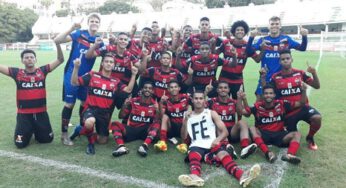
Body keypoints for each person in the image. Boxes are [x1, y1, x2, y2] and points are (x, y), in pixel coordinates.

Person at [178, 91, 260, 187]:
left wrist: (217, 140)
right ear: (192, 100)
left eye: (201, 98)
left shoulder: (211, 113)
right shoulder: (188, 116)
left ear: (204, 100)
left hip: (212, 143)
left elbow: (225, 131)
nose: (198, 101)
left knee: (224, 154)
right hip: (196, 145)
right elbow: (183, 137)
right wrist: (185, 121)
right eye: (196, 98)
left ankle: (242, 175)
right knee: (193, 157)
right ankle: (195, 177)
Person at [0, 42, 64, 148]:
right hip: (24, 114)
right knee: (20, 144)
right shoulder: (17, 73)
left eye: (31, 57)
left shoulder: (42, 71)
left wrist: (57, 44)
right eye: (26, 57)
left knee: (47, 140)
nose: (29, 59)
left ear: (35, 59)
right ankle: (29, 129)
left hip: (41, 112)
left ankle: (35, 129)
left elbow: (60, 60)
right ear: (22, 60)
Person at [71, 54, 138, 155]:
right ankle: (90, 144)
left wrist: (133, 75)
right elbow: (74, 82)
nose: (108, 64)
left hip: (104, 113)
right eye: (106, 61)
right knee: (90, 121)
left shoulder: (116, 81)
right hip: (91, 109)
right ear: (102, 63)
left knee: (102, 141)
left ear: (114, 65)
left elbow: (128, 90)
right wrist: (76, 68)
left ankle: (80, 130)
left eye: (111, 62)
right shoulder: (92, 75)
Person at [54, 13, 102, 146]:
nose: (94, 23)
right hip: (71, 73)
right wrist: (71, 28)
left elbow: (88, 56)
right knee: (70, 104)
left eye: (96, 21)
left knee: (84, 103)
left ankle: (82, 130)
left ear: (99, 24)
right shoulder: (79, 34)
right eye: (92, 20)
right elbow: (57, 40)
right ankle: (64, 135)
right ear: (88, 22)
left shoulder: (99, 41)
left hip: (86, 77)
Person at [238, 84, 307, 164]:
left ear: (274, 95)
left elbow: (301, 103)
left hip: (279, 134)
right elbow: (242, 112)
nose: (268, 95)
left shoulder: (282, 104)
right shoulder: (257, 106)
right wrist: (240, 98)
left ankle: (290, 155)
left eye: (271, 93)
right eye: (266, 93)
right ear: (263, 95)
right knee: (252, 128)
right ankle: (268, 153)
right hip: (263, 135)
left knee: (297, 134)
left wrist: (304, 90)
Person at [268, 49, 321, 150]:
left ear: (292, 59)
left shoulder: (300, 73)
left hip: (303, 107)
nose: (285, 60)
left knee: (317, 118)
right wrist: (262, 78)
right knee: (292, 137)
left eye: (287, 58)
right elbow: (269, 94)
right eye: (282, 59)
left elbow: (316, 86)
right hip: (288, 112)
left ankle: (310, 137)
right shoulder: (275, 77)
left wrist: (314, 73)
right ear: (279, 61)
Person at [246, 16, 308, 99]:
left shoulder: (286, 39)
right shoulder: (263, 40)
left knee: (281, 106)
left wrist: (304, 36)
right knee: (260, 104)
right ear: (268, 26)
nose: (274, 26)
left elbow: (302, 48)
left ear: (280, 26)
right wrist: (251, 37)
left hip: (281, 79)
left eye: (276, 24)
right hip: (265, 78)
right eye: (272, 24)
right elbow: (248, 51)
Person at [206, 81, 257, 159]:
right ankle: (227, 146)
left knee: (242, 122)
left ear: (229, 90)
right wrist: (205, 92)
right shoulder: (212, 101)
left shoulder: (233, 102)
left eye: (225, 88)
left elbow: (247, 114)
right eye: (220, 88)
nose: (223, 89)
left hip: (232, 132)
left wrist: (243, 99)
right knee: (218, 124)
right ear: (217, 90)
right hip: (219, 133)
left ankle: (245, 148)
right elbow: (199, 105)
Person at [111, 82, 160, 157]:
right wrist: (124, 105)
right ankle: (121, 147)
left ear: (153, 91)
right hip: (132, 129)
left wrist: (157, 110)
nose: (147, 90)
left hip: (145, 131)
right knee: (114, 124)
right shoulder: (133, 101)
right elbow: (121, 116)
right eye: (145, 88)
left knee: (157, 124)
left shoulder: (155, 104)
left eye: (150, 88)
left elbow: (156, 120)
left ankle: (144, 146)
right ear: (142, 89)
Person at [217, 20, 262, 99]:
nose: (240, 31)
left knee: (238, 105)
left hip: (237, 80)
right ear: (234, 32)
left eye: (242, 30)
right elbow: (215, 54)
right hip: (224, 79)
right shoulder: (226, 42)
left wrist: (264, 50)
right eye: (237, 30)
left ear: (245, 32)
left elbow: (257, 60)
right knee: (222, 103)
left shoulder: (247, 46)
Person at [154, 80, 191, 152]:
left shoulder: (186, 97)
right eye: (171, 87)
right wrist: (161, 103)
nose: (174, 89)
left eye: (175, 87)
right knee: (165, 116)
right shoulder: (166, 100)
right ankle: (163, 142)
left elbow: (196, 103)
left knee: (186, 117)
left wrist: (190, 108)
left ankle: (184, 144)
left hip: (183, 126)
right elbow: (161, 116)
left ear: (179, 88)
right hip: (172, 127)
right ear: (168, 89)